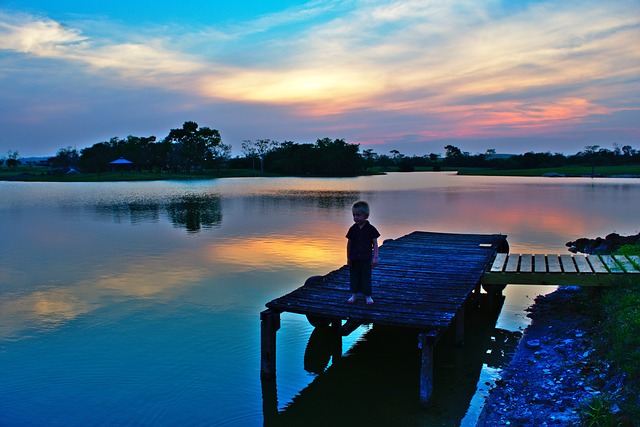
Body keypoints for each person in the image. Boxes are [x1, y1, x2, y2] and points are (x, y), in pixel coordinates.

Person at [346, 201, 380, 305]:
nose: (355, 217)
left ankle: (368, 296)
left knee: (366, 277)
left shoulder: (371, 229)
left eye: (358, 215)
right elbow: (349, 244)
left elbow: (375, 243)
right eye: (354, 215)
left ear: (366, 216)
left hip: (366, 258)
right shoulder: (353, 229)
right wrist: (348, 258)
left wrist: (375, 257)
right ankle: (354, 295)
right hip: (354, 258)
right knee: (354, 276)